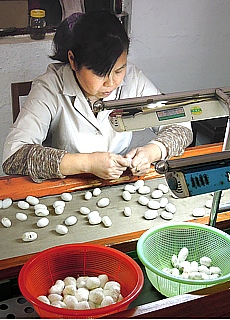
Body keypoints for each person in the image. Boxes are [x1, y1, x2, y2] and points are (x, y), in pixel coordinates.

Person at [2, 11, 193, 183]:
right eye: (100, 74)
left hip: (116, 182)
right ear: (73, 61)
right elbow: (14, 156)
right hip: (65, 185)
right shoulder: (51, 87)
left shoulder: (133, 80)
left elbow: (181, 124)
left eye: (119, 70)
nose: (111, 83)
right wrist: (87, 162)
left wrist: (152, 152)